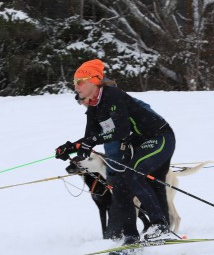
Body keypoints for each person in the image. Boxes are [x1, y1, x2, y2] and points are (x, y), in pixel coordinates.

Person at [56, 59, 175, 245]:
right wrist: (71, 148)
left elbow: (120, 130)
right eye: (74, 82)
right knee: (120, 186)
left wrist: (88, 142)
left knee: (133, 174)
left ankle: (160, 226)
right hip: (138, 146)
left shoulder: (112, 95)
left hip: (159, 138)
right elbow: (91, 137)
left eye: (80, 81)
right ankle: (130, 238)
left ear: (94, 81)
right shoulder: (93, 108)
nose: (75, 86)